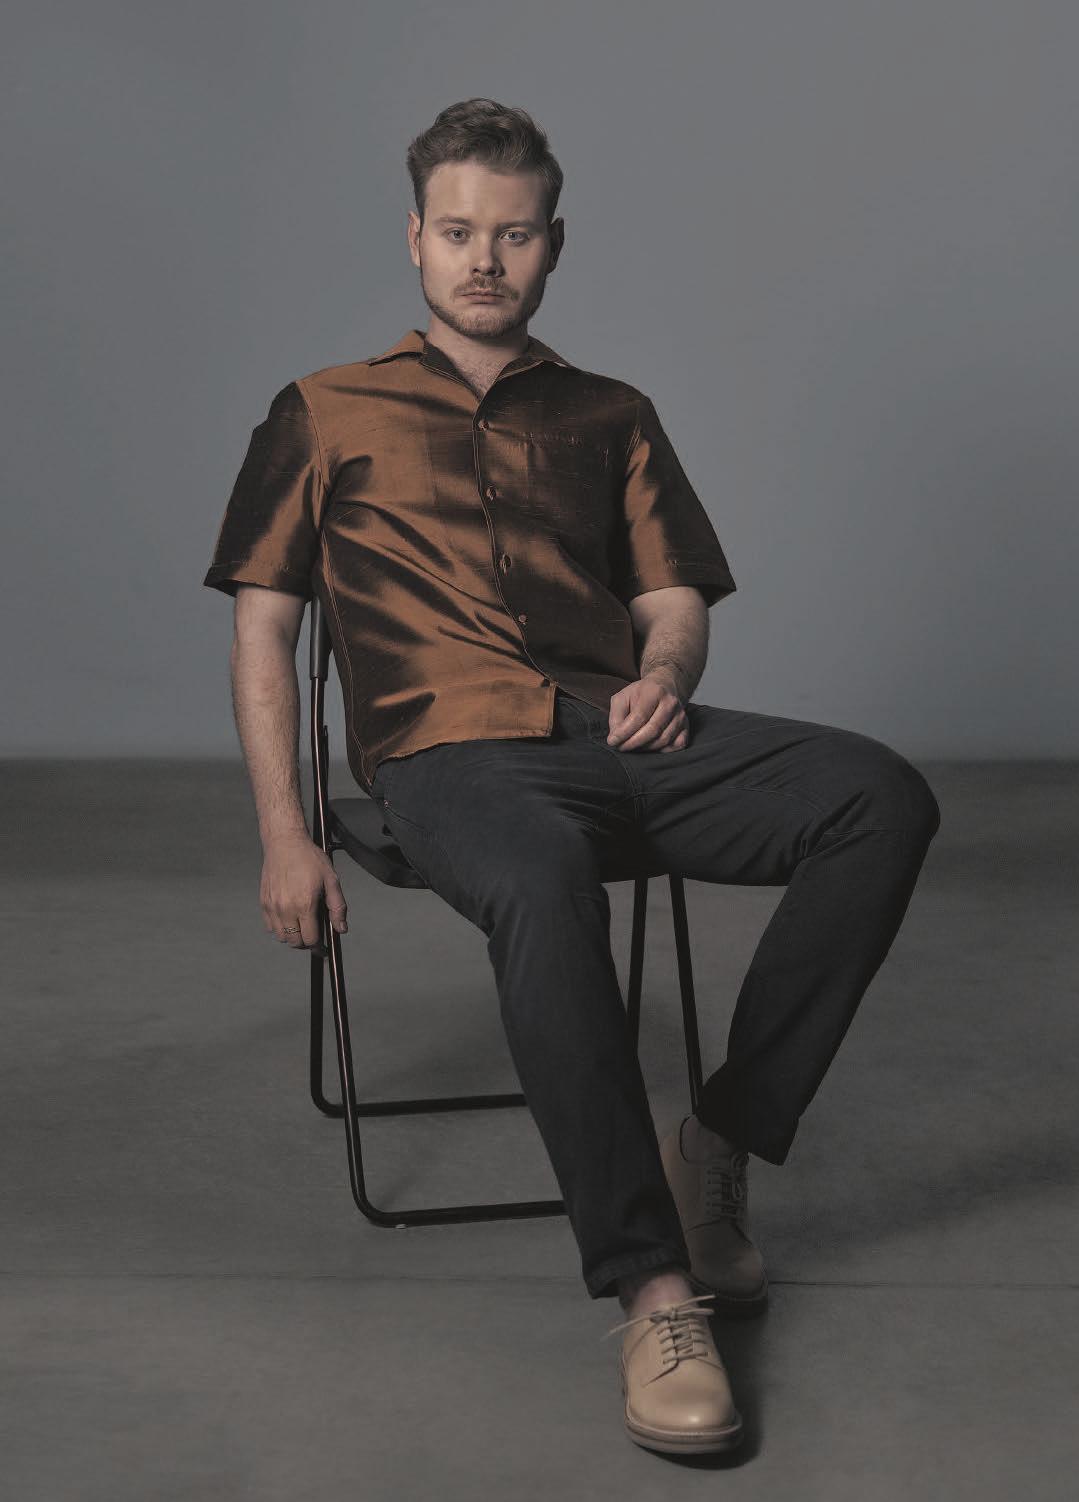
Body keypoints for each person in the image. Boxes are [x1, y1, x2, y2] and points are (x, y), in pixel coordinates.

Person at [203, 98, 941, 1455]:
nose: (485, 259)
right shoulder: (323, 410)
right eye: (458, 232)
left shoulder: (612, 412)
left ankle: (716, 1142)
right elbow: (265, 625)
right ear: (415, 238)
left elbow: (672, 596)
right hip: (447, 759)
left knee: (878, 796)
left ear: (554, 243)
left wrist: (668, 668)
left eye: (515, 234)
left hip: (619, 735)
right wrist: (285, 833)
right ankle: (654, 1291)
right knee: (544, 880)